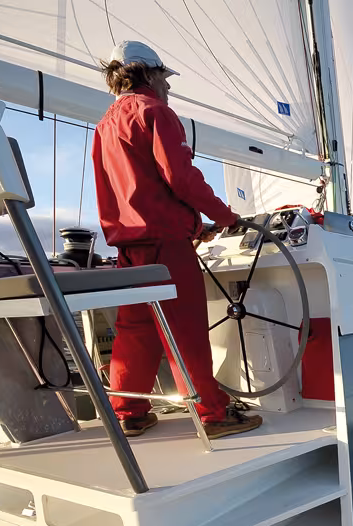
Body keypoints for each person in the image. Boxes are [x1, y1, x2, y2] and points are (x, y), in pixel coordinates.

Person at [92, 40, 262, 439]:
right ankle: (212, 415)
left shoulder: (104, 125)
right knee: (184, 330)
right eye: (165, 79)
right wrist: (224, 217)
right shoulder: (155, 112)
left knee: (136, 330)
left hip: (128, 249)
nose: (168, 87)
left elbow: (130, 190)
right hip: (166, 247)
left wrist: (191, 225)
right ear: (149, 74)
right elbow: (180, 178)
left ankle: (128, 412)